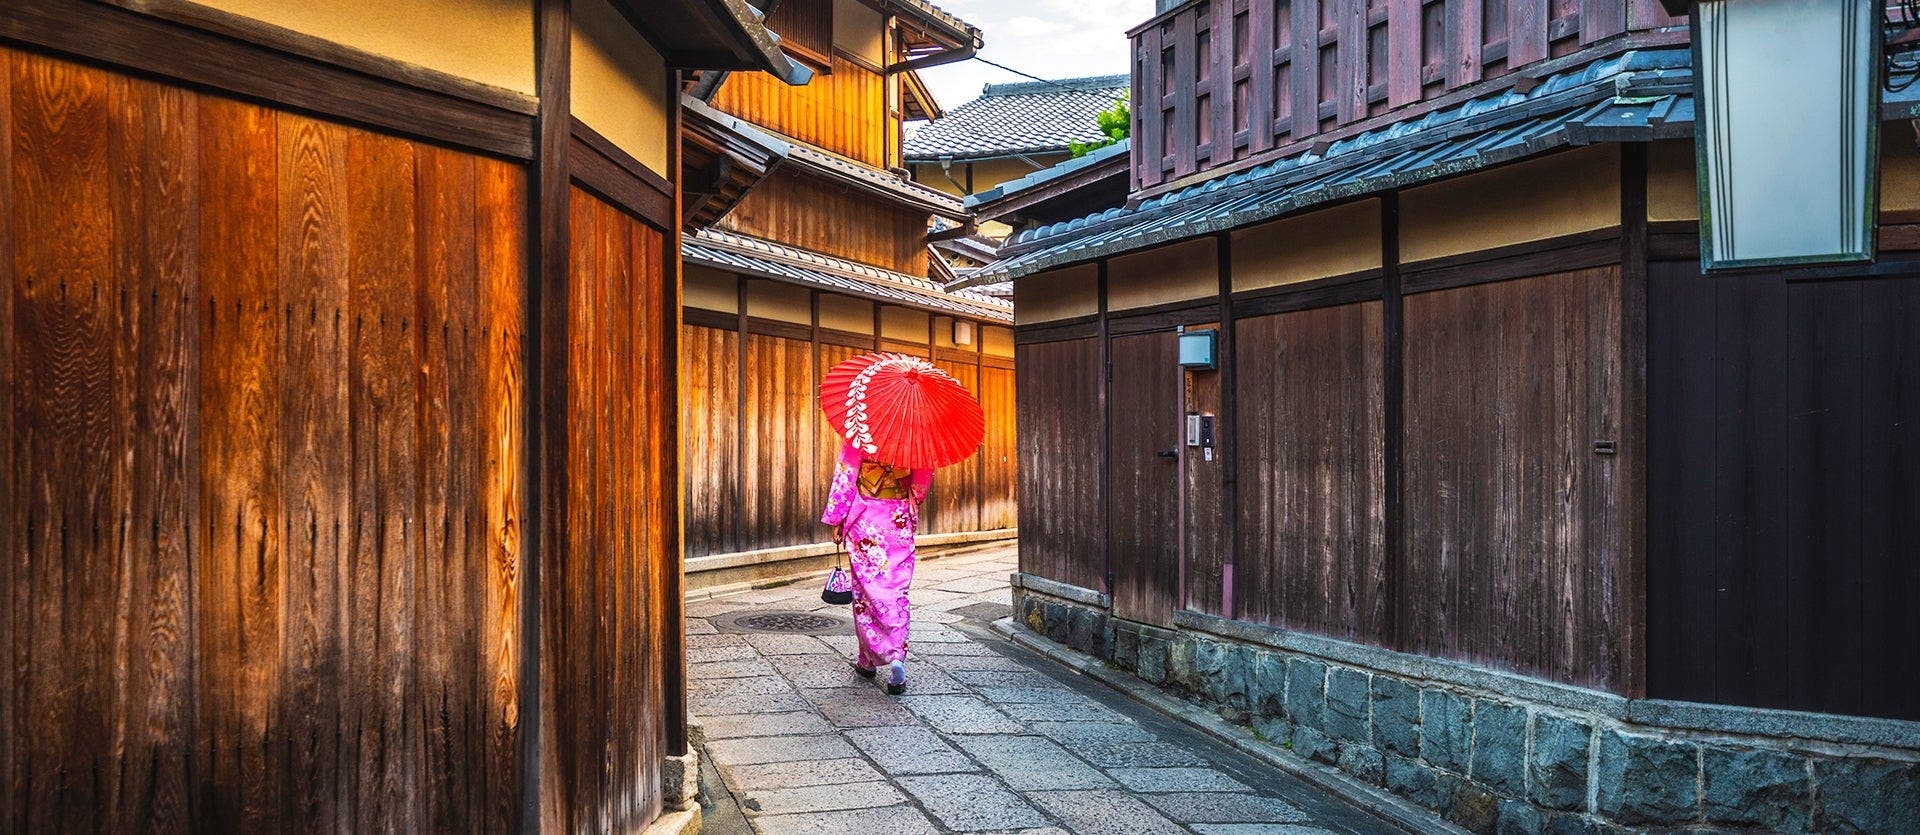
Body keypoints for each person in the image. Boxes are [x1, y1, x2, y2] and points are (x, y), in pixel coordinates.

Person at [821, 442, 932, 695]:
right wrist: (912, 500)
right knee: (896, 589)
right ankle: (895, 657)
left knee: (865, 591)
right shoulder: (915, 434)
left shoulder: (860, 428)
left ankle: (868, 660)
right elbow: (922, 481)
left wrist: (837, 518)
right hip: (897, 518)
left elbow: (846, 474)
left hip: (865, 518)